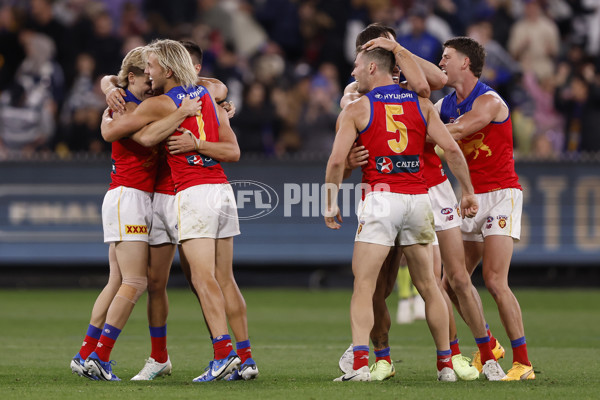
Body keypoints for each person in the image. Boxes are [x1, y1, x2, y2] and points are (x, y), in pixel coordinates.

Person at [338, 25, 505, 382]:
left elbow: (435, 80)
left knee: (453, 277)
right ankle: (387, 357)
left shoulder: (409, 87)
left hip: (429, 188)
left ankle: (482, 353)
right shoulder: (361, 92)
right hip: (405, 189)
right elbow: (425, 89)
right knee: (385, 287)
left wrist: (397, 49)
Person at [101, 39, 245, 382]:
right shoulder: (207, 95)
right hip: (221, 189)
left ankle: (223, 354)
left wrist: (113, 112)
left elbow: (132, 136)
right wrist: (109, 85)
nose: (147, 72)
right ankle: (242, 356)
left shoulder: (162, 102)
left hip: (189, 192)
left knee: (200, 278)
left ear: (166, 69)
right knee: (217, 279)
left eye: (151, 66)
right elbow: (233, 148)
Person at [69, 46, 202, 381]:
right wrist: (181, 111)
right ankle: (99, 358)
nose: (153, 82)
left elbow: (217, 87)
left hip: (134, 196)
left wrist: (108, 84)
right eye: (147, 75)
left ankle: (85, 352)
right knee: (135, 280)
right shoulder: (126, 104)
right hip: (129, 196)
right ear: (133, 77)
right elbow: (142, 138)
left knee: (118, 280)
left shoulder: (131, 99)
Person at [438, 36, 534, 381]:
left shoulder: (490, 100)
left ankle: (523, 363)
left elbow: (461, 129)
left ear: (465, 62)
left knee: (494, 280)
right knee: (450, 283)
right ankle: (489, 344)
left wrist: (429, 136)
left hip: (500, 195)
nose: (441, 63)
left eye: (446, 57)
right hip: (468, 198)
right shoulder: (444, 105)